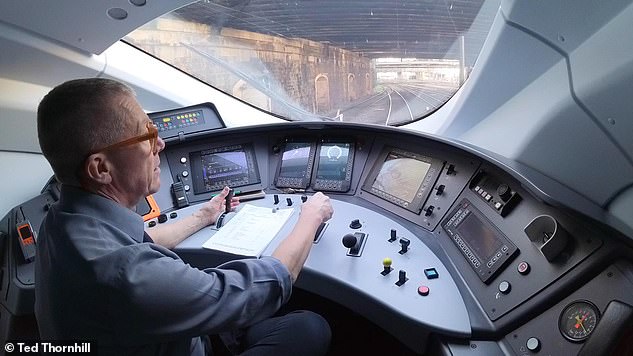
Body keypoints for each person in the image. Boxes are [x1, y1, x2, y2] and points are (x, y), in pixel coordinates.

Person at [34, 78, 334, 356]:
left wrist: (204, 215)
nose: (160, 145)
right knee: (311, 329)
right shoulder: (124, 276)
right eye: (147, 135)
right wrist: (310, 217)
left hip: (158, 339)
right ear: (100, 169)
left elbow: (141, 242)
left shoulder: (60, 223)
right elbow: (265, 286)